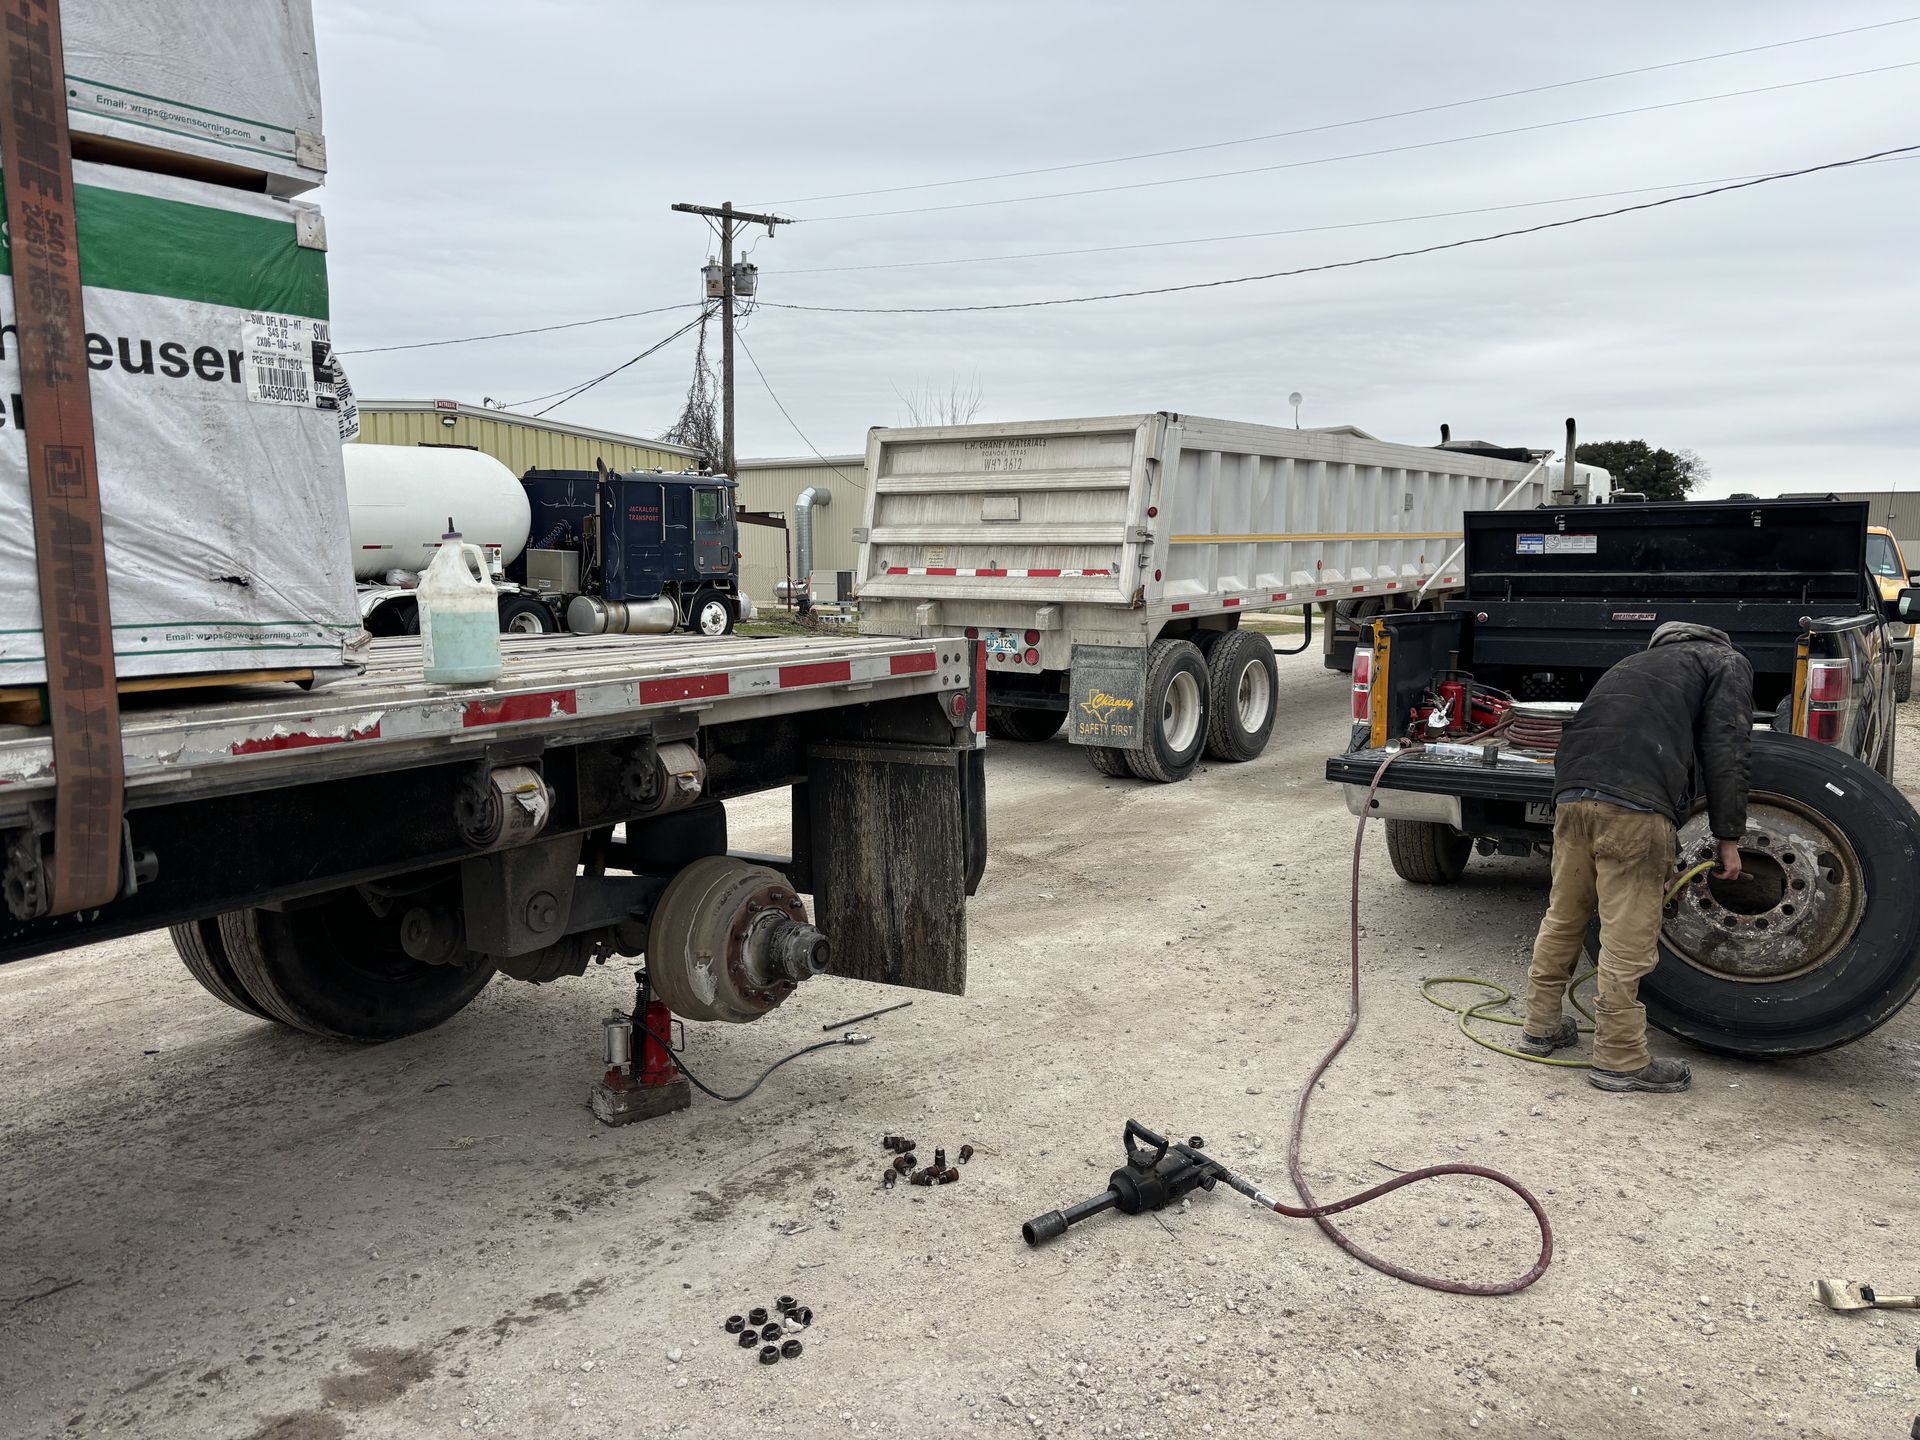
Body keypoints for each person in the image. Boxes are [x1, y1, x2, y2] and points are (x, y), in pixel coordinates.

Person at [1517, 621, 1753, 1093]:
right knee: (1627, 935)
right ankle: (1620, 1058)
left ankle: (1540, 1026)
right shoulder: (1725, 661)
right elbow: (1726, 749)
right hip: (1634, 808)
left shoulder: (1630, 663)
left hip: (1571, 799)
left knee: (1564, 914)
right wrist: (1729, 837)